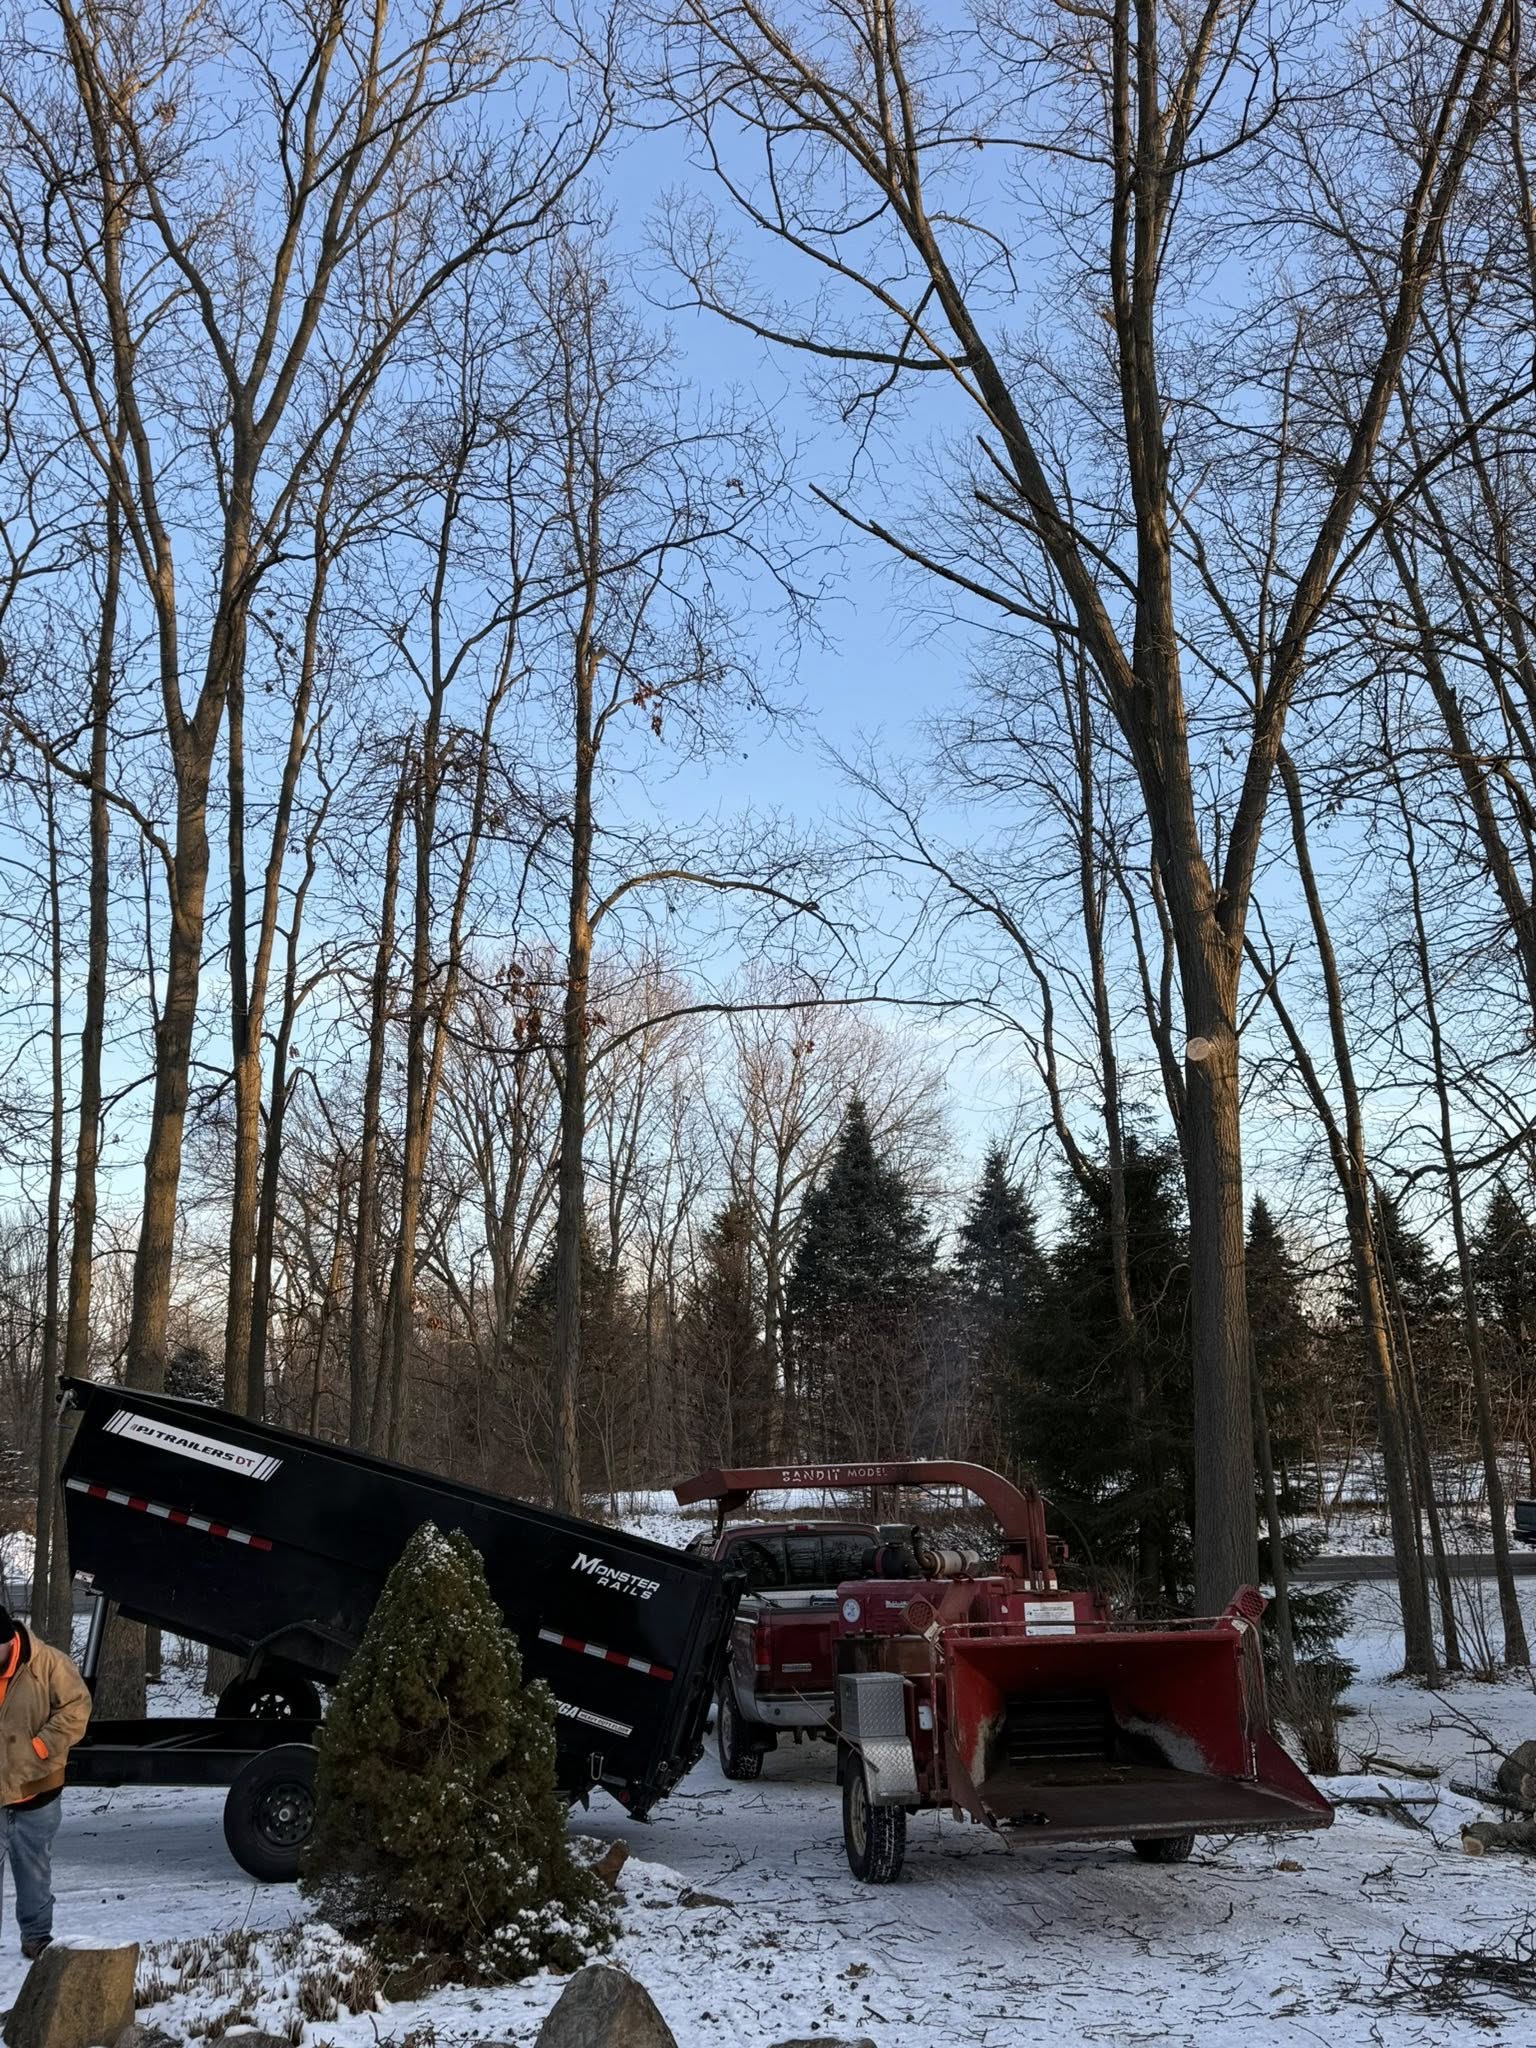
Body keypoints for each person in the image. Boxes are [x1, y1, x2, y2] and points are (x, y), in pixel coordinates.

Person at [0, 1606, 90, 1960]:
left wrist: (42, 1745)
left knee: (34, 1873)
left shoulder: (50, 1664)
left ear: (7, 1640)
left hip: (37, 1792)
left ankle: (36, 1937)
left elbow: (77, 1708)